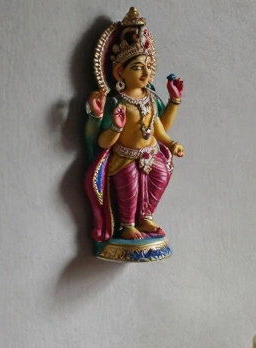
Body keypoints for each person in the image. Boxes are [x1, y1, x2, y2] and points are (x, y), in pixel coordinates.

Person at [85, 7, 185, 244]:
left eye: (148, 66)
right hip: (124, 158)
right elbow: (101, 142)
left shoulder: (150, 98)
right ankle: (127, 224)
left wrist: (174, 104)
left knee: (161, 174)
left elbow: (158, 127)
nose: (145, 73)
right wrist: (116, 127)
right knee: (129, 187)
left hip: (151, 153)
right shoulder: (117, 103)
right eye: (138, 67)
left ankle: (145, 217)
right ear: (120, 71)